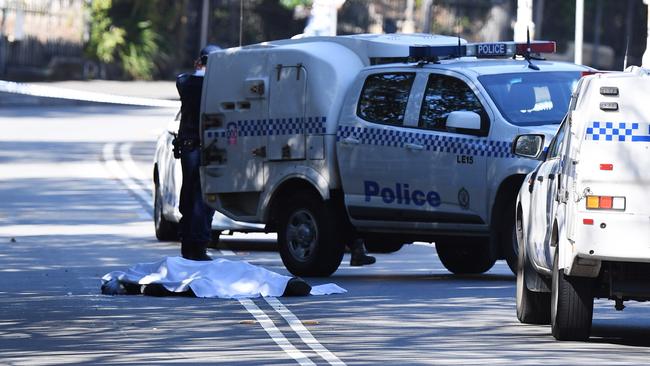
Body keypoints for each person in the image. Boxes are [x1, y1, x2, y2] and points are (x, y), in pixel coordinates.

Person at [175, 44, 220, 261]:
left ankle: (188, 242)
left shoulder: (185, 82)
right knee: (203, 198)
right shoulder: (218, 86)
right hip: (210, 147)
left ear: (198, 62)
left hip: (189, 147)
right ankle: (199, 244)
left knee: (189, 194)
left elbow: (185, 78)